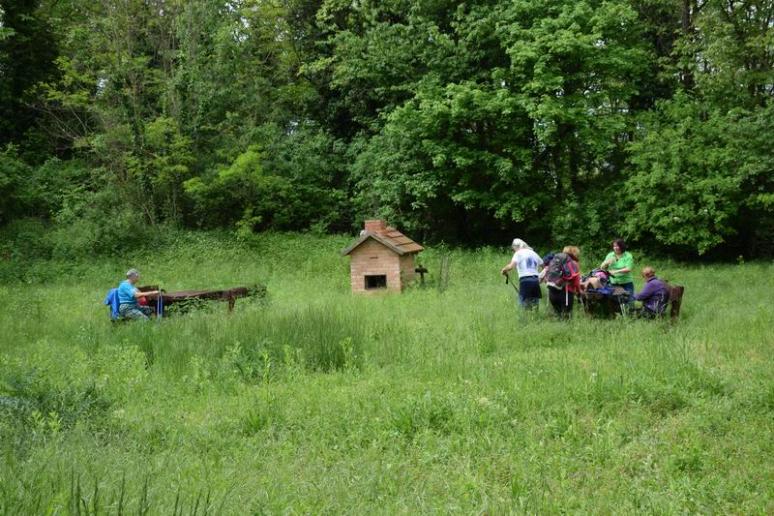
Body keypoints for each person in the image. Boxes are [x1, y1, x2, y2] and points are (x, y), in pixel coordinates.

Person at [501, 238, 543, 309]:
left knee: (523, 305)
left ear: (516, 247)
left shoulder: (518, 253)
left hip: (525, 281)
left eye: (513, 249)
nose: (514, 251)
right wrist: (541, 276)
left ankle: (524, 318)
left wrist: (504, 270)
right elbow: (544, 266)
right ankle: (536, 318)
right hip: (536, 281)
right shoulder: (534, 253)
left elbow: (511, 266)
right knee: (535, 305)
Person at [546, 246, 582, 318]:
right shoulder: (573, 263)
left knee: (558, 315)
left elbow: (546, 276)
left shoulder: (555, 261)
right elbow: (576, 282)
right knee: (567, 316)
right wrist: (579, 292)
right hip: (566, 293)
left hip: (552, 291)